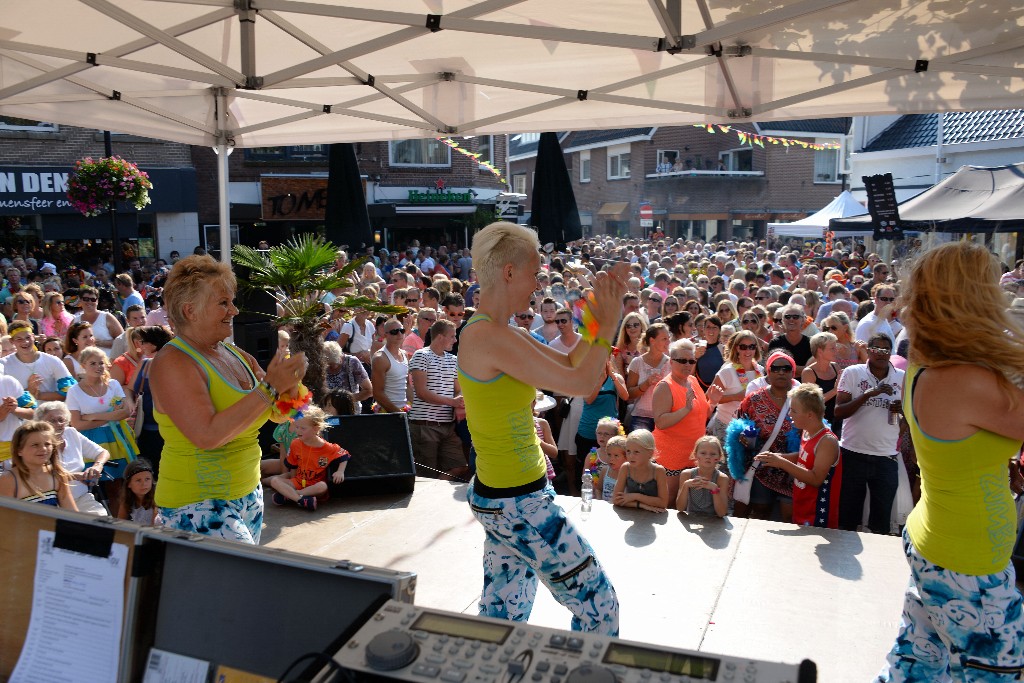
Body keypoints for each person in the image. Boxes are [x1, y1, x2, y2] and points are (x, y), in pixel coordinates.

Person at [458, 221, 622, 634]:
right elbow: (584, 382)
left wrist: (597, 326)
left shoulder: (498, 332)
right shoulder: (489, 338)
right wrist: (610, 321)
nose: (538, 283)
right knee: (600, 609)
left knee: (502, 618)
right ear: (509, 271)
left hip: (505, 498)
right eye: (534, 272)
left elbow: (569, 365)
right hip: (519, 504)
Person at [874, 241, 1024, 682]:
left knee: (916, 668)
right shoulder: (966, 379)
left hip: (941, 544)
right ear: (974, 298)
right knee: (994, 675)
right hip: (967, 561)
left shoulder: (932, 360)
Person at [149, 255, 306, 544]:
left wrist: (291, 385)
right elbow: (207, 436)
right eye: (223, 302)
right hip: (197, 502)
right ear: (190, 311)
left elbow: (280, 414)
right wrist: (270, 386)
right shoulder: (172, 361)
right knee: (244, 585)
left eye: (232, 301)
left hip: (248, 493)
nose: (233, 310)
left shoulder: (235, 354)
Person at [834, 333, 904, 534]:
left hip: (886, 457)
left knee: (881, 521)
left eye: (886, 350)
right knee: (848, 517)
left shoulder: (901, 377)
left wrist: (902, 413)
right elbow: (839, 412)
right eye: (877, 349)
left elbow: (907, 424)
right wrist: (869, 394)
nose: (881, 354)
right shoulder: (853, 373)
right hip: (853, 452)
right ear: (868, 350)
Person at [755, 383, 842, 528]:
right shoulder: (807, 431)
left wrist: (782, 463)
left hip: (818, 515)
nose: (789, 414)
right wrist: (777, 457)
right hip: (803, 506)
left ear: (809, 415)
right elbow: (803, 457)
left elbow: (816, 479)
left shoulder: (827, 441)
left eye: (794, 411)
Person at [66, 346, 139, 514]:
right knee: (94, 488)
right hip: (90, 441)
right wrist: (109, 416)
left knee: (118, 487)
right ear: (83, 365)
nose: (98, 367)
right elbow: (77, 424)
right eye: (93, 363)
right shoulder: (74, 391)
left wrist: (93, 416)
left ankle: (119, 523)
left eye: (101, 363)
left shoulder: (113, 384)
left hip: (116, 439)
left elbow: (125, 412)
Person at [733, 350, 800, 521]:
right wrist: (743, 438)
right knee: (760, 511)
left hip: (792, 470)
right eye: (775, 368)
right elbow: (739, 427)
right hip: (760, 470)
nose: (781, 372)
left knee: (788, 518)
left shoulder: (802, 400)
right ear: (768, 373)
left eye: (786, 368)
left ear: (793, 372)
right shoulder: (754, 400)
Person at [652, 339, 720, 504]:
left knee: (688, 501)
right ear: (671, 361)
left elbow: (700, 415)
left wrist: (713, 402)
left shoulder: (693, 381)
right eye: (682, 360)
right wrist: (685, 410)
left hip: (694, 456)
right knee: (669, 501)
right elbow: (660, 422)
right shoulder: (664, 386)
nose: (687, 364)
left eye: (691, 361)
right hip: (671, 456)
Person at [409, 319, 466, 478]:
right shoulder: (421, 355)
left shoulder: (453, 360)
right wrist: (453, 402)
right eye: (452, 336)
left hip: (447, 426)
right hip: (424, 427)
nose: (455, 340)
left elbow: (458, 390)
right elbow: (421, 392)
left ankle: (436, 491)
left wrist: (459, 402)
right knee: (427, 475)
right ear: (440, 337)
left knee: (460, 466)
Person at [35, 401, 109, 515]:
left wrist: (97, 466)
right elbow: (42, 475)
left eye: (61, 420)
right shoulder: (37, 443)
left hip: (81, 497)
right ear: (40, 423)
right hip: (51, 502)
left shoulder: (71, 433)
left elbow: (103, 452)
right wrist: (76, 476)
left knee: (101, 521)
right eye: (52, 420)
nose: (58, 424)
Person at [269, 406, 349, 511]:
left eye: (303, 428)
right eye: (297, 427)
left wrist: (340, 471)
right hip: (298, 481)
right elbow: (292, 465)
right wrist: (292, 481)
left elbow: (344, 454)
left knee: (323, 486)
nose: (298, 431)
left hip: (314, 485)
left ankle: (289, 496)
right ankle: (301, 500)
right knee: (274, 481)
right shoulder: (295, 443)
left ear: (315, 429)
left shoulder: (326, 447)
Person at [0, 420, 76, 509]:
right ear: (19, 450)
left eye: (47, 444)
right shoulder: (8, 479)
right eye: (35, 445)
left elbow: (72, 513)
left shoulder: (57, 474)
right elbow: (4, 519)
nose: (43, 449)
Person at [707, 330, 764, 443]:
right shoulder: (727, 371)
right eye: (743, 347)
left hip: (751, 429)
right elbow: (710, 398)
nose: (748, 350)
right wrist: (735, 396)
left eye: (751, 346)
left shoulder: (760, 371)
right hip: (726, 426)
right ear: (737, 348)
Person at [2, 320, 75, 403]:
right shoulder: (3, 365)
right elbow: (5, 398)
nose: (25, 342)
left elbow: (69, 391)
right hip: (20, 415)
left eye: (28, 337)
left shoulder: (52, 361)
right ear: (12, 341)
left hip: (51, 413)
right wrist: (28, 391)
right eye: (19, 339)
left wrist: (39, 395)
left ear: (33, 336)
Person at [625, 323, 671, 432]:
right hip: (641, 417)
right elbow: (629, 394)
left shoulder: (672, 363)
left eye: (668, 338)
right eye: (664, 339)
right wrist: (647, 383)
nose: (668, 342)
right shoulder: (637, 362)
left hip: (665, 417)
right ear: (652, 340)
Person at [611, 429, 669, 512]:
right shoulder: (625, 468)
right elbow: (616, 500)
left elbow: (663, 503)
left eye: (636, 452)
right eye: (628, 451)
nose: (631, 456)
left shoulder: (658, 471)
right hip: (631, 514)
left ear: (650, 453)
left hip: (654, 516)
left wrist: (635, 496)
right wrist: (643, 506)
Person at [676, 435, 730, 517]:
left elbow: (721, 513)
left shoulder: (721, 478)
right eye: (703, 453)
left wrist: (714, 489)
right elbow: (680, 508)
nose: (708, 457)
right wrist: (686, 485)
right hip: (691, 518)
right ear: (696, 455)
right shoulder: (687, 475)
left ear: (719, 457)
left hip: (714, 522)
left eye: (713, 454)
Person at [371, 317, 412, 413]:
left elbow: (407, 385)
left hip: (404, 411)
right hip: (387, 414)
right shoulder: (380, 358)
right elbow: (377, 393)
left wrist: (415, 408)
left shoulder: (405, 354)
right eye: (394, 332)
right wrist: (398, 413)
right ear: (386, 335)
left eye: (402, 330)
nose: (399, 334)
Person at [322, 341, 373, 412]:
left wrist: (344, 400)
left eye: (332, 365)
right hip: (328, 413)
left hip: (350, 411)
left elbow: (369, 391)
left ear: (340, 358)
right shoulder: (321, 365)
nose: (329, 368)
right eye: (327, 365)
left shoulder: (352, 362)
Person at [74, 285, 124, 358]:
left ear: (97, 301)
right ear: (80, 300)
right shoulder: (75, 321)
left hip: (108, 362)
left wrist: (101, 343)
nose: (89, 302)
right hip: (84, 363)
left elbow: (122, 341)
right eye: (86, 299)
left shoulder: (107, 317)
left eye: (93, 299)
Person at [117, 458, 159, 524]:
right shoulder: (127, 501)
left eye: (147, 479)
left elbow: (154, 529)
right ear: (129, 484)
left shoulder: (157, 499)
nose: (144, 484)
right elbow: (120, 524)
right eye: (138, 480)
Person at [597, 434, 627, 502]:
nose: (611, 459)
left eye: (616, 455)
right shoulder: (605, 470)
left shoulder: (629, 474)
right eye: (609, 454)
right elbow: (598, 489)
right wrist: (599, 501)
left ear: (626, 457)